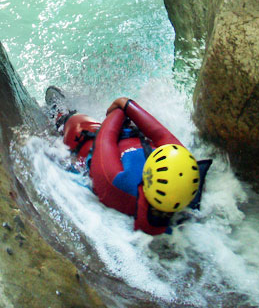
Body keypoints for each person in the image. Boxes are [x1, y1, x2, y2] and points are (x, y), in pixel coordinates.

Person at [47, 88, 212, 235]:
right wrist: (128, 106)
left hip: (98, 151)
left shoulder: (118, 182)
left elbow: (105, 138)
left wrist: (121, 109)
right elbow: (161, 135)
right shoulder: (185, 174)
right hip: (130, 141)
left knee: (77, 127)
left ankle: (61, 117)